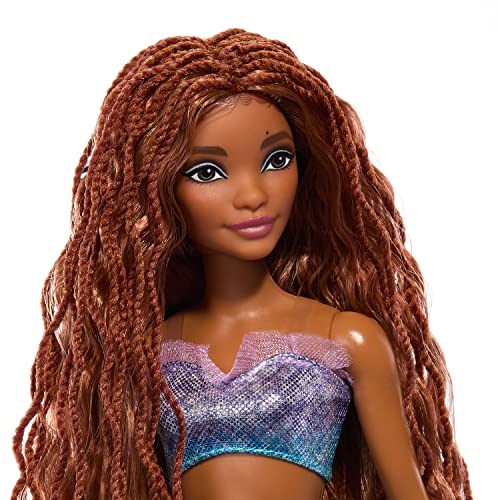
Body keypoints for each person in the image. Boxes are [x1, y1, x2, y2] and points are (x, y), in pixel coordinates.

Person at [12, 28, 472, 499]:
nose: (252, 195)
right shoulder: (149, 351)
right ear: (158, 191)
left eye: (277, 159)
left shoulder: (347, 340)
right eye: (207, 172)